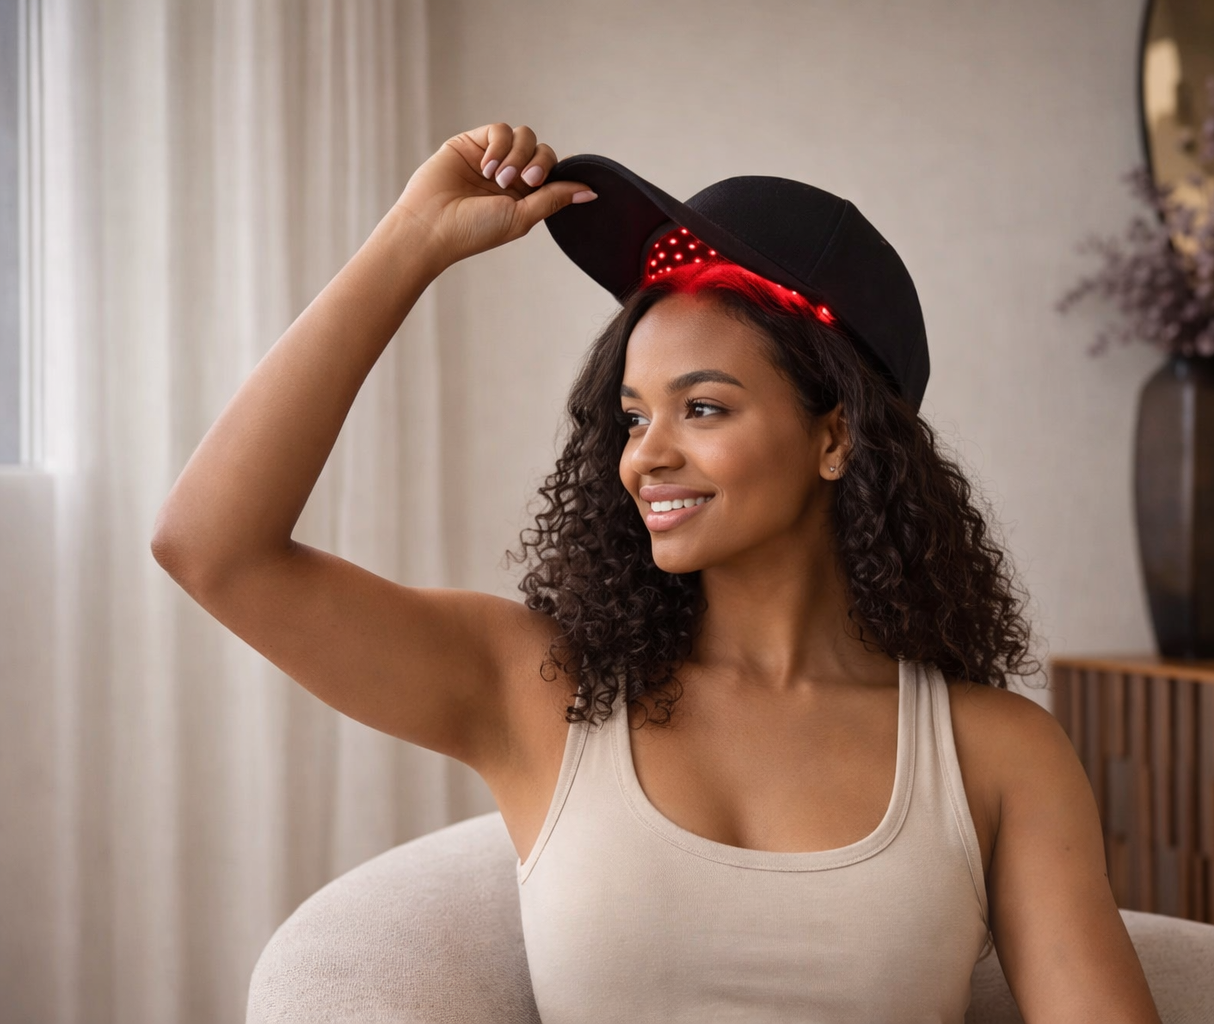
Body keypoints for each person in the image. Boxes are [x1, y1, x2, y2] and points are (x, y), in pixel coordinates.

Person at [151, 123, 1161, 1023]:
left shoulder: (997, 754)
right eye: (633, 417)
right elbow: (212, 547)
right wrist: (410, 243)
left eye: (703, 407)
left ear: (836, 437)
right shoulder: (538, 688)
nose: (646, 457)